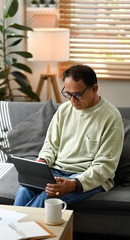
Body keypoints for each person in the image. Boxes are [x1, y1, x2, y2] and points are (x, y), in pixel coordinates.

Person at [14, 64, 124, 207]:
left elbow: (105, 167)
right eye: (68, 94)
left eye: (77, 95)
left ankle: (13, 227)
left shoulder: (111, 117)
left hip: (86, 177)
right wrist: (42, 163)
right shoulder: (64, 110)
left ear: (94, 89)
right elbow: (50, 146)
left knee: (46, 198)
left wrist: (74, 184)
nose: (72, 100)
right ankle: (13, 228)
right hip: (55, 170)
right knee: (24, 191)